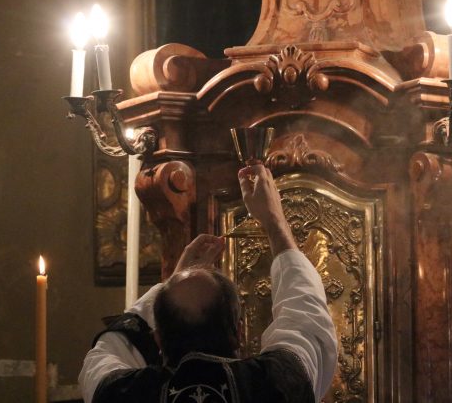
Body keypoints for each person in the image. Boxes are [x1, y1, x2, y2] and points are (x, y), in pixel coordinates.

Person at [79, 165, 338, 403]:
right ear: (239, 333)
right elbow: (306, 320)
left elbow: (105, 353)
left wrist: (173, 282)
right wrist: (275, 222)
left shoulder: (126, 395)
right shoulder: (274, 384)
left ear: (158, 339)